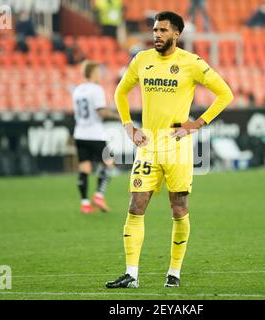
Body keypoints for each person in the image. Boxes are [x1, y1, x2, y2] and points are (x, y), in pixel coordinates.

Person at [106, 11, 233, 288]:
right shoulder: (142, 60)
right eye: (155, 30)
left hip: (178, 145)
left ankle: (174, 272)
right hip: (148, 144)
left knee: (179, 208)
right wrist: (129, 126)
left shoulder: (192, 63)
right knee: (136, 205)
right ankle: (131, 274)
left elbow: (225, 94)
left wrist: (198, 123)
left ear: (176, 34)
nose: (157, 35)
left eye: (163, 30)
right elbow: (120, 92)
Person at [72, 61, 121, 214]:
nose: (100, 75)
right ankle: (99, 195)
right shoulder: (96, 89)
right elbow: (101, 112)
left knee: (84, 168)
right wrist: (118, 116)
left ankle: (85, 203)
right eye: (98, 72)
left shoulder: (77, 90)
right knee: (110, 163)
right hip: (95, 135)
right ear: (92, 73)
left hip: (79, 133)